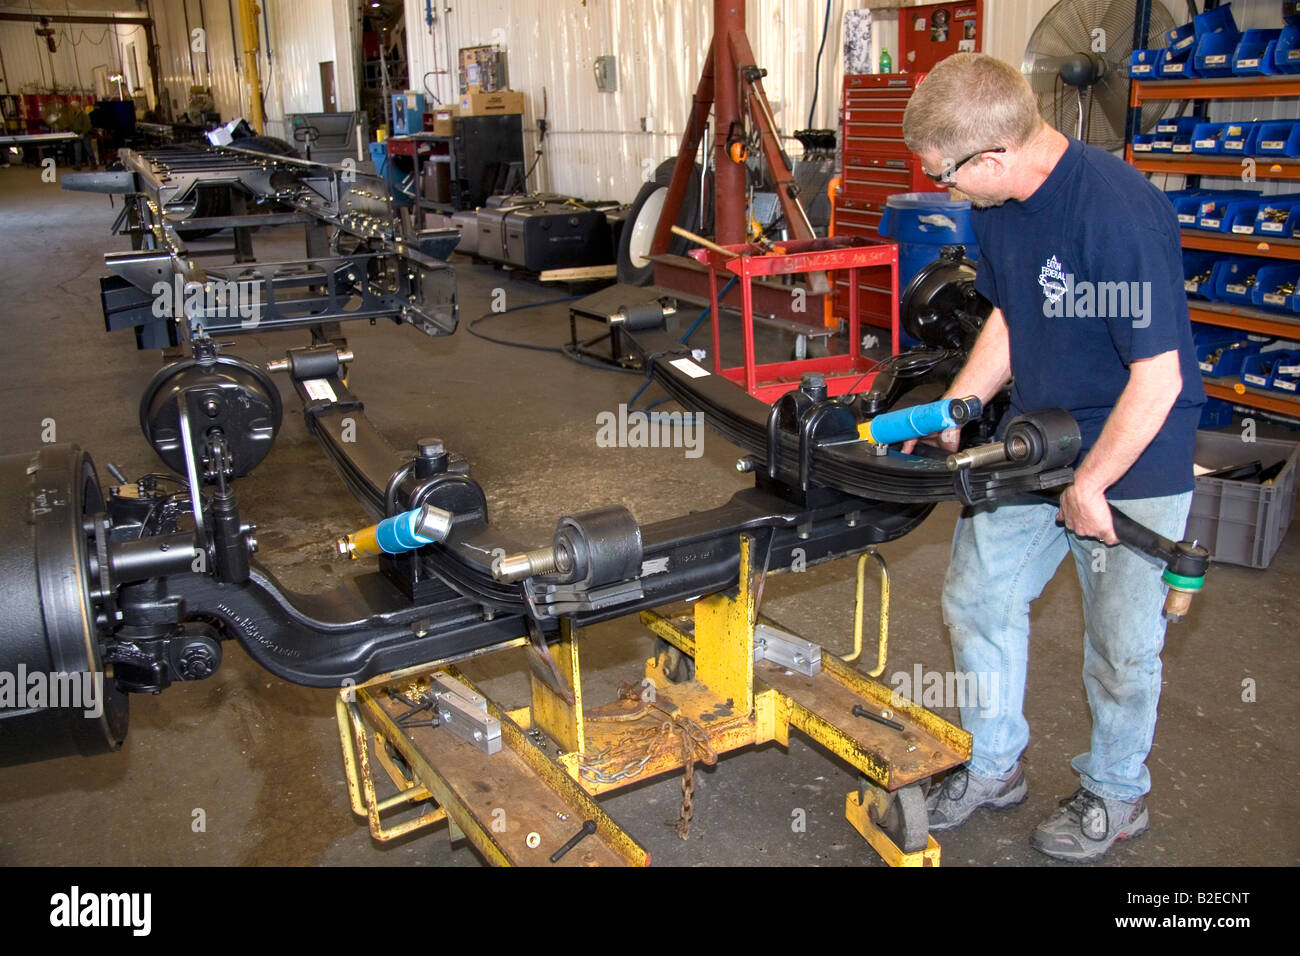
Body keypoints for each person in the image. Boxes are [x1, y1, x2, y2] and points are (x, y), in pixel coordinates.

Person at [899, 53, 1205, 862]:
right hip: (1039, 438)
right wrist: (961, 406)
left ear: (992, 157)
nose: (949, 190)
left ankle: (1115, 792)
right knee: (978, 595)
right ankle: (994, 765)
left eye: (949, 176)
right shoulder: (1000, 207)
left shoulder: (1116, 213)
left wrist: (1096, 483)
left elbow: (1160, 376)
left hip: (1133, 453)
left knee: (1120, 649)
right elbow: (1009, 315)